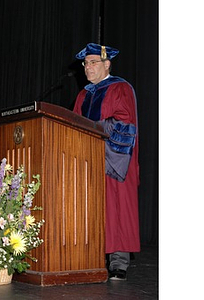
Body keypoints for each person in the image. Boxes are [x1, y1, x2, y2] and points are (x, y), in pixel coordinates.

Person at [73, 43, 140, 281]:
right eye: (86, 63)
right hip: (88, 160)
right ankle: (91, 257)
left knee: (117, 207)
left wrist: (93, 130)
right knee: (91, 208)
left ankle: (118, 263)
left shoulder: (120, 88)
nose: (88, 68)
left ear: (107, 64)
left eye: (93, 63)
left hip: (115, 158)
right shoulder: (83, 94)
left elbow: (125, 123)